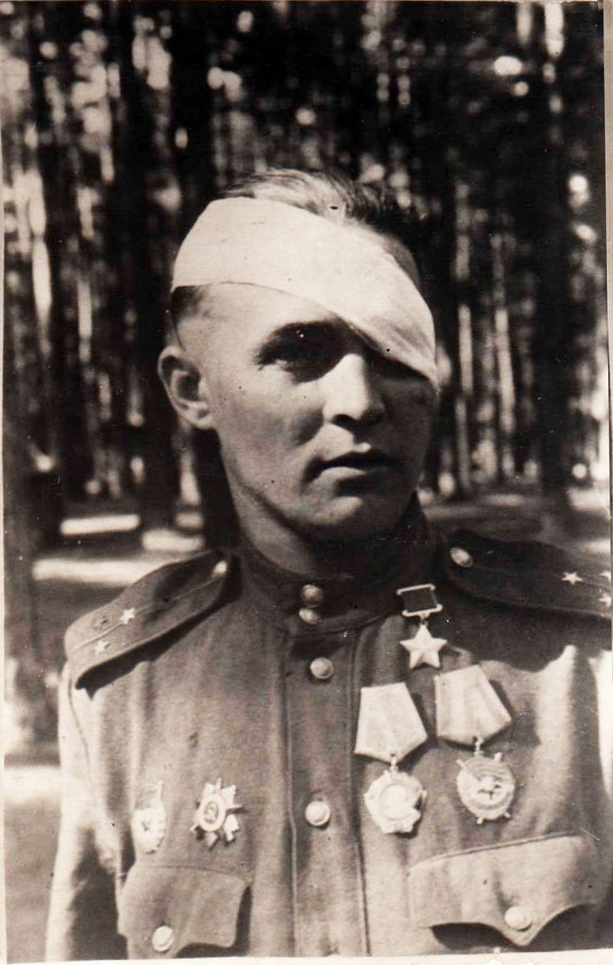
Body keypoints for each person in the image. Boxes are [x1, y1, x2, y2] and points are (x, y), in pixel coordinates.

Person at [45, 169, 612, 960]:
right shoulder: (119, 688)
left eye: (393, 351)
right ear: (190, 389)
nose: (360, 400)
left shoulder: (580, 659)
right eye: (301, 353)